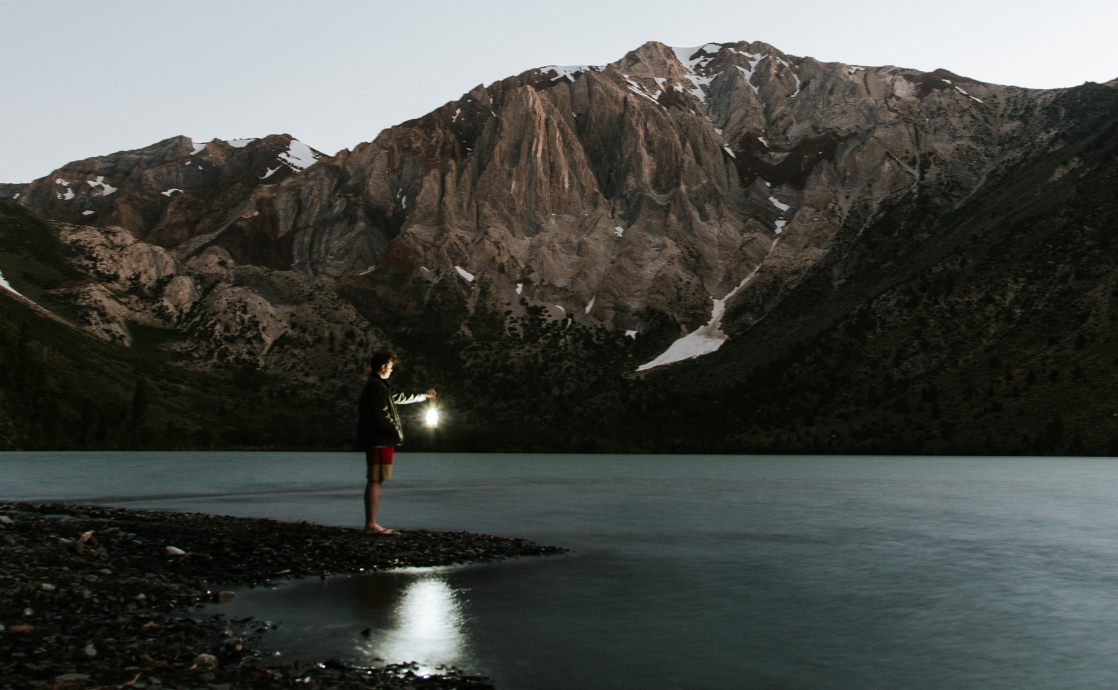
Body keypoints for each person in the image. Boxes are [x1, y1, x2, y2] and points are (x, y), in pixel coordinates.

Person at [356, 349, 435, 535]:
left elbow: (400, 396)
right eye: (390, 367)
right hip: (379, 440)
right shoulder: (376, 387)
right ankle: (371, 525)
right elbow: (380, 415)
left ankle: (371, 523)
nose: (391, 370)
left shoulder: (380, 386)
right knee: (375, 479)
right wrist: (394, 432)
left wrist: (424, 395)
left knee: (377, 479)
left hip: (379, 439)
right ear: (383, 367)